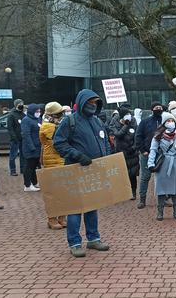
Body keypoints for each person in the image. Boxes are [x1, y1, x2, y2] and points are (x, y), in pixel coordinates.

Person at [53, 89, 111, 257]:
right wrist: (77, 155)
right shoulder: (70, 121)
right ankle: (75, 242)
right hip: (76, 170)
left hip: (94, 171)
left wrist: (105, 158)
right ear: (82, 102)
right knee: (75, 208)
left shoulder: (97, 121)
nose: (92, 106)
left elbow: (104, 140)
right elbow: (59, 143)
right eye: (90, 102)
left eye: (95, 103)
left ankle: (93, 238)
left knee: (92, 206)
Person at [148, 112, 176, 221]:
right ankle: (160, 211)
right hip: (163, 164)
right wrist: (150, 163)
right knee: (161, 187)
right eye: (168, 121)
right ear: (164, 123)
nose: (171, 123)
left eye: (172, 121)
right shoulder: (158, 136)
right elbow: (153, 150)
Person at [39, 102, 67, 230]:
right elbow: (58, 144)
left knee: (62, 191)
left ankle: (61, 217)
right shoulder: (48, 127)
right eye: (59, 114)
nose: (61, 116)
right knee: (53, 193)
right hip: (52, 161)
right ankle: (52, 219)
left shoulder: (55, 125)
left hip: (59, 161)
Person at [135, 102, 165, 209]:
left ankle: (164, 198)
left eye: (160, 108)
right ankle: (142, 199)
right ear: (152, 109)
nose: (159, 109)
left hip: (162, 154)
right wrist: (143, 151)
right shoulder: (145, 122)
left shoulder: (164, 121)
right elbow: (138, 137)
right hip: (147, 154)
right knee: (145, 176)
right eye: (156, 108)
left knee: (162, 176)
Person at [109, 107, 139, 200]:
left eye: (130, 114)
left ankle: (133, 192)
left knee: (132, 174)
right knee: (122, 174)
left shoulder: (134, 122)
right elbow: (118, 134)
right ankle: (124, 192)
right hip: (120, 153)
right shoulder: (115, 123)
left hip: (132, 153)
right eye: (127, 115)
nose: (129, 116)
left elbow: (137, 137)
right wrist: (126, 125)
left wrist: (134, 148)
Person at [21, 103, 43, 192]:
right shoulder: (26, 120)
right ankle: (27, 185)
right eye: (36, 111)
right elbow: (26, 134)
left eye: (39, 111)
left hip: (37, 147)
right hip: (30, 148)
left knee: (34, 166)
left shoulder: (38, 119)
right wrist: (32, 147)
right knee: (28, 167)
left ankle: (34, 182)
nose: (38, 113)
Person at [7, 99, 26, 176]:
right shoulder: (11, 115)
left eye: (22, 103)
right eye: (20, 104)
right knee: (13, 155)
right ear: (16, 105)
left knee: (23, 155)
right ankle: (13, 170)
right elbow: (10, 128)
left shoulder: (23, 114)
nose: (21, 105)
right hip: (15, 139)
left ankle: (22, 169)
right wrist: (14, 138)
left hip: (22, 138)